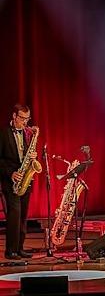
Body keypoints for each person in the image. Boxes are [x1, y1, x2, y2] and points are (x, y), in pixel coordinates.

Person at [0, 104, 40, 260]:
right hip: (11, 181)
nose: (25, 122)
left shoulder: (27, 133)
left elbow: (26, 153)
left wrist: (32, 157)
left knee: (23, 216)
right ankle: (10, 251)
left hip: (25, 179)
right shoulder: (3, 134)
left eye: (27, 118)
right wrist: (11, 173)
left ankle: (20, 248)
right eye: (22, 118)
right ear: (14, 116)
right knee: (14, 216)